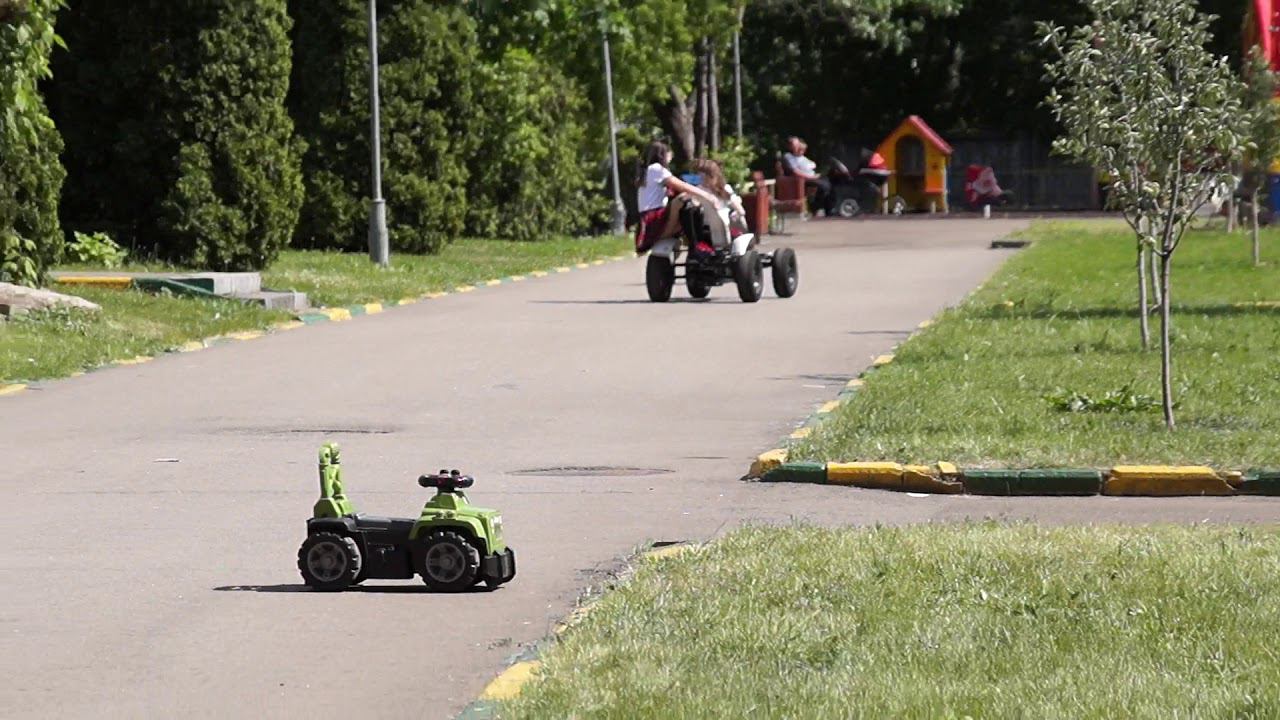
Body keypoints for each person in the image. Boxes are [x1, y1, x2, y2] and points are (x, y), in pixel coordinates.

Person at [635, 140, 723, 256]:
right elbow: (683, 186)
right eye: (669, 153)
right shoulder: (657, 169)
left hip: (647, 221)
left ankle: (692, 242)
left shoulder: (646, 171)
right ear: (662, 154)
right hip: (655, 218)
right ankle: (698, 244)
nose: (671, 156)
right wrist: (708, 196)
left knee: (683, 201)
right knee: (685, 198)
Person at [689, 158, 747, 238]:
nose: (704, 179)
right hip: (710, 229)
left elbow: (740, 210)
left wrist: (736, 212)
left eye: (706, 177)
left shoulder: (725, 189)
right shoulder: (699, 190)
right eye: (701, 177)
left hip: (723, 228)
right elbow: (694, 203)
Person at [782, 136, 832, 216]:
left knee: (828, 182)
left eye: (798, 144)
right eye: (795, 145)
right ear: (790, 146)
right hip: (801, 179)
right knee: (823, 186)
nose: (798, 146)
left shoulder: (800, 156)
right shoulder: (788, 156)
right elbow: (795, 172)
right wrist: (811, 177)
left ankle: (828, 210)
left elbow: (810, 164)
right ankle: (814, 208)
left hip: (810, 176)